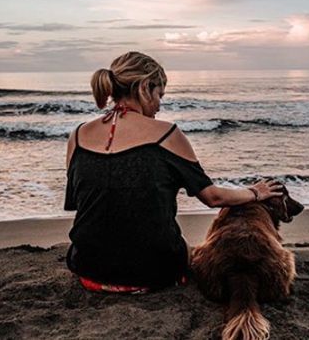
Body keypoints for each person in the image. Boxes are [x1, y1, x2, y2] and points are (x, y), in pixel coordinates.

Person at [64, 51, 283, 293]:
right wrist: (255, 192)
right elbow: (213, 198)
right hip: (154, 273)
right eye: (159, 95)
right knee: (185, 247)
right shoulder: (167, 135)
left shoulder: (78, 135)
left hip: (88, 268)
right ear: (145, 87)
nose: (159, 106)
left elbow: (81, 203)